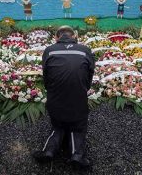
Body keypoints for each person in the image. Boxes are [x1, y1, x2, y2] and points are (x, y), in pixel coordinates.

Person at [33, 26, 95, 169]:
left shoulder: (49, 50)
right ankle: (77, 155)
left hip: (55, 103)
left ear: (56, 38)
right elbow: (88, 79)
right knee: (77, 128)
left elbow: (47, 79)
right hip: (78, 103)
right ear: (75, 37)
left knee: (58, 126)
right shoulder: (85, 50)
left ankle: (48, 151)